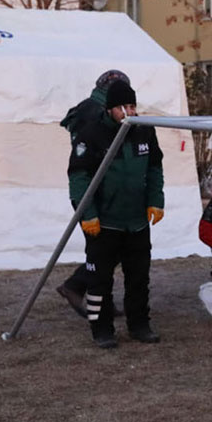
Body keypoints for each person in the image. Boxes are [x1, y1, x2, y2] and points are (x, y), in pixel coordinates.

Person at [61, 77, 164, 348]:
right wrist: (87, 214)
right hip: (104, 221)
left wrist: (156, 199)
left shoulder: (144, 130)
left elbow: (154, 168)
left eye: (132, 106)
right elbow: (79, 177)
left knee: (139, 278)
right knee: (99, 281)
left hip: (136, 221)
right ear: (109, 109)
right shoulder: (91, 134)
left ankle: (140, 324)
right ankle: (102, 329)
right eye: (122, 107)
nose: (128, 112)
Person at [56, 70, 131, 319]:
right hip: (94, 189)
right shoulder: (94, 112)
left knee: (109, 248)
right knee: (103, 251)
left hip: (100, 187)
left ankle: (104, 304)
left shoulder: (92, 107)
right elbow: (89, 155)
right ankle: (75, 286)